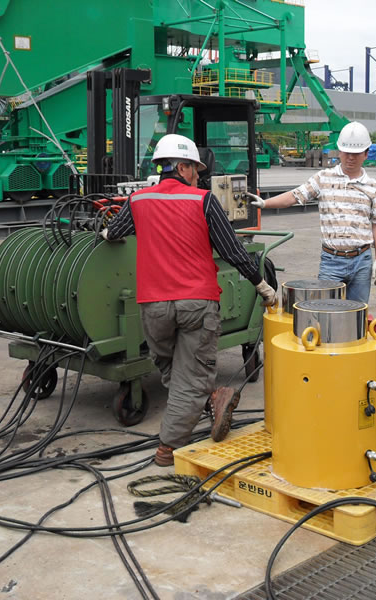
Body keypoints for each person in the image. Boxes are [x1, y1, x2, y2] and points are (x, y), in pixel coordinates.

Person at [103, 134, 277, 466]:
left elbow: (113, 232)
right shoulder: (203, 201)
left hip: (153, 307)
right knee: (191, 374)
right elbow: (232, 250)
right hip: (197, 303)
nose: (198, 176)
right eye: (196, 170)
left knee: (173, 366)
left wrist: (106, 233)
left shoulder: (137, 200)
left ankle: (209, 397)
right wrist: (261, 284)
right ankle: (169, 446)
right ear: (182, 167)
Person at [247, 121, 376, 304]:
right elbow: (295, 196)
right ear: (339, 151)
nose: (350, 158)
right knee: (325, 310)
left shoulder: (373, 186)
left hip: (362, 261)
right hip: (331, 261)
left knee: (358, 311)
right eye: (346, 152)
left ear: (366, 154)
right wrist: (265, 203)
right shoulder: (323, 178)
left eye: (356, 153)